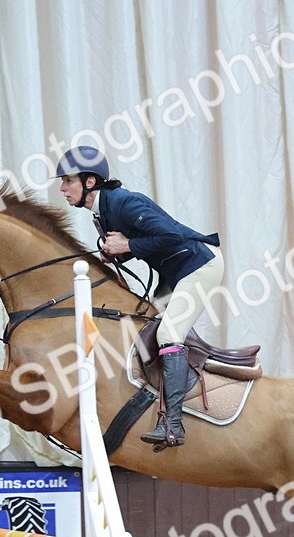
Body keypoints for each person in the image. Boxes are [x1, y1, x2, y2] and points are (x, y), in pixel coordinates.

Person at [54, 145, 225, 449]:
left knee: (170, 334)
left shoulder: (123, 202)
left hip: (199, 266)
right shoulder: (103, 210)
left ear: (89, 182)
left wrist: (128, 245)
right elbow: (143, 243)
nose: (62, 188)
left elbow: (171, 235)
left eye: (68, 181)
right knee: (145, 326)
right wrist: (116, 253)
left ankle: (173, 425)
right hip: (175, 273)